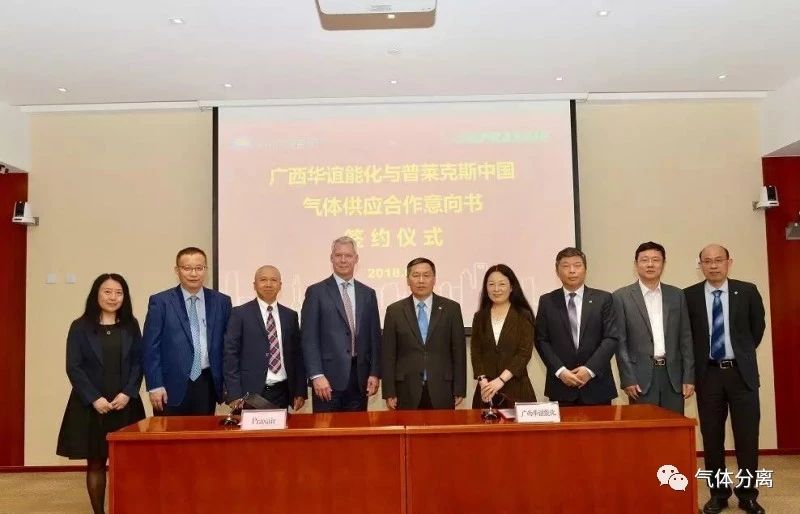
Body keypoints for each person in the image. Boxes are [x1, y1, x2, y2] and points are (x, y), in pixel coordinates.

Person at [685, 244, 766, 514]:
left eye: (719, 260)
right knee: (712, 439)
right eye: (707, 261)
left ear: (729, 262)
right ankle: (718, 495)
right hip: (708, 375)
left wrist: (739, 354)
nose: (713, 265)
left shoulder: (747, 291)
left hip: (741, 375)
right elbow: (688, 336)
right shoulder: (689, 296)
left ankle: (748, 495)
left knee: (747, 437)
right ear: (700, 265)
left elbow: (757, 329)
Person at [56, 273, 146, 514]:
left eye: (118, 293)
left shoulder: (131, 325)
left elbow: (139, 363)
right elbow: (73, 367)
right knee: (95, 463)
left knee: (127, 464)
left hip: (125, 404)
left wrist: (128, 393)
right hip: (92, 406)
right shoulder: (80, 326)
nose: (113, 297)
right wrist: (94, 398)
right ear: (96, 294)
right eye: (107, 292)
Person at [142, 247, 232, 415]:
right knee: (169, 432)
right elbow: (150, 347)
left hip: (207, 383)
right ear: (177, 270)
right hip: (169, 386)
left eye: (199, 268)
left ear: (205, 270)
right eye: (187, 268)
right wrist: (155, 385)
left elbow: (228, 346)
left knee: (203, 431)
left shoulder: (221, 302)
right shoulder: (160, 302)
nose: (193, 273)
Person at [301, 236, 381, 412]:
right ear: (331, 258)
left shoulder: (368, 294)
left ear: (356, 259)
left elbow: (374, 337)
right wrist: (316, 375)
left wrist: (374, 373)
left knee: (357, 429)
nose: (343, 260)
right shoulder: (316, 292)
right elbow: (309, 339)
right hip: (326, 381)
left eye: (348, 256)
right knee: (325, 429)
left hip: (360, 380)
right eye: (338, 255)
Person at [614, 241, 694, 414]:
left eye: (656, 260)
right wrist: (628, 378)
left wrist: (689, 376)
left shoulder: (677, 295)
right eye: (644, 260)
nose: (650, 264)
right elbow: (620, 343)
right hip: (639, 378)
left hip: (673, 376)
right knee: (643, 428)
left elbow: (685, 338)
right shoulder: (621, 297)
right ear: (636, 264)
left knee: (674, 427)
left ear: (663, 264)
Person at [534, 247, 619, 406]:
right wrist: (560, 371)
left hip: (597, 386)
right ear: (557, 271)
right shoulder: (547, 301)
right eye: (565, 266)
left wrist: (589, 370)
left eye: (577, 265)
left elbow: (611, 338)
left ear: (585, 269)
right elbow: (541, 340)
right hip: (561, 386)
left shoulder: (603, 299)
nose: (572, 270)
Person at [382, 257, 467, 410]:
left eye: (426, 275)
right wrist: (389, 391)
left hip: (442, 388)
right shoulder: (394, 311)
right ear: (408, 280)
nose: (421, 280)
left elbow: (458, 352)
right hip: (405, 389)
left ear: (434, 279)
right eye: (415, 275)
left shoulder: (451, 309)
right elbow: (388, 355)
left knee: (442, 427)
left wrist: (459, 388)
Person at [223, 265, 306, 410]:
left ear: (280, 285)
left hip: (282, 391)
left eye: (273, 280)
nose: (268, 284)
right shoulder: (239, 314)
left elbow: (297, 355)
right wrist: (234, 393)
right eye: (263, 280)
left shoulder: (290, 316)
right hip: (249, 393)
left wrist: (300, 391)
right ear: (254, 285)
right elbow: (230, 355)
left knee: (281, 426)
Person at [470, 264, 536, 408]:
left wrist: (500, 380)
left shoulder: (523, 315)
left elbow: (524, 353)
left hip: (516, 389)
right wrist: (483, 381)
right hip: (486, 391)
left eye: (502, 284)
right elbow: (476, 352)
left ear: (511, 287)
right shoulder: (480, 317)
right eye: (491, 284)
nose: (496, 289)